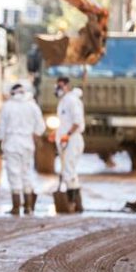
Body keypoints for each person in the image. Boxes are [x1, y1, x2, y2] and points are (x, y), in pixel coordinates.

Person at [0, 83, 45, 215]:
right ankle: (28, 207)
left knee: (14, 174)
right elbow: (41, 126)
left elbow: (1, 128)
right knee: (26, 173)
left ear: (12, 93)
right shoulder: (32, 105)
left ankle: (16, 207)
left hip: (11, 144)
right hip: (27, 143)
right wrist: (34, 136)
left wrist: (0, 145)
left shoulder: (7, 106)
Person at [55, 77, 86, 212]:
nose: (58, 89)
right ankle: (77, 205)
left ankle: (71, 203)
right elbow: (64, 122)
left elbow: (77, 121)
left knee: (68, 171)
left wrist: (67, 134)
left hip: (72, 140)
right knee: (70, 171)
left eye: (60, 86)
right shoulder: (64, 100)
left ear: (67, 86)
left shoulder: (72, 100)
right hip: (66, 139)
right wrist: (57, 133)